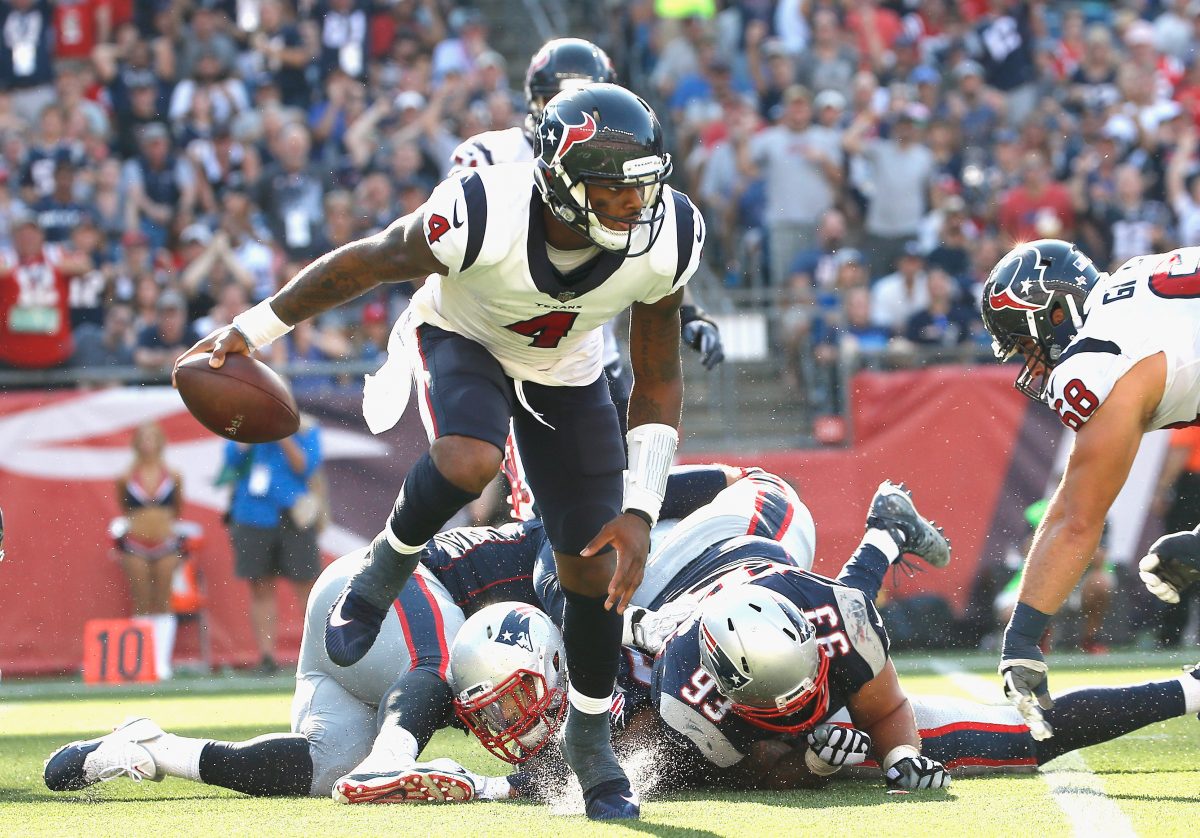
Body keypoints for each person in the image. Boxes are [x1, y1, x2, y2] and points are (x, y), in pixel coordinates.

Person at [176, 82, 703, 820]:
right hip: (463, 336)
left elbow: (657, 377)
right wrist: (256, 328)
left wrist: (642, 506)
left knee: (591, 565)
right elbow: (364, 262)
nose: (633, 205)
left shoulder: (668, 233)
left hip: (568, 370)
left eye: (643, 186)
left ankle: (589, 740)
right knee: (469, 459)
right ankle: (383, 569)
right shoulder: (481, 210)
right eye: (613, 189)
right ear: (560, 181)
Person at [43, 465, 746, 801]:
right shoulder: (559, 546)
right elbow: (614, 512)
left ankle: (156, 750)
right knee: (443, 663)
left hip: (356, 655)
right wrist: (728, 479)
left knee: (318, 772)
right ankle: (391, 758)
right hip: (385, 590)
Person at [979, 238, 1200, 738]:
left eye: (1028, 344)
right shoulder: (1137, 279)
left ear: (1056, 312)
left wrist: (1023, 637)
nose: (1034, 364)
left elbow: (1076, 519)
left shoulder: (1096, 357)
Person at [220, 415, 323, 675]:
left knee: (307, 586)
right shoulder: (240, 423)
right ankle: (267, 657)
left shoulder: (306, 427)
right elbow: (231, 461)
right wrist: (252, 429)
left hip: (294, 513)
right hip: (252, 513)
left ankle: (320, 656)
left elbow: (305, 467)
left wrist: (282, 432)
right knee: (260, 586)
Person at [113, 422, 184, 680]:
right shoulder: (125, 477)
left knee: (164, 599)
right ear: (135, 443)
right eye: (143, 438)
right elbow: (125, 507)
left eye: (153, 437)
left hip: (165, 543)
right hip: (136, 543)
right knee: (141, 599)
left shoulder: (174, 475)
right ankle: (142, 662)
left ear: (161, 442)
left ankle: (162, 664)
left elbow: (177, 509)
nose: (148, 443)